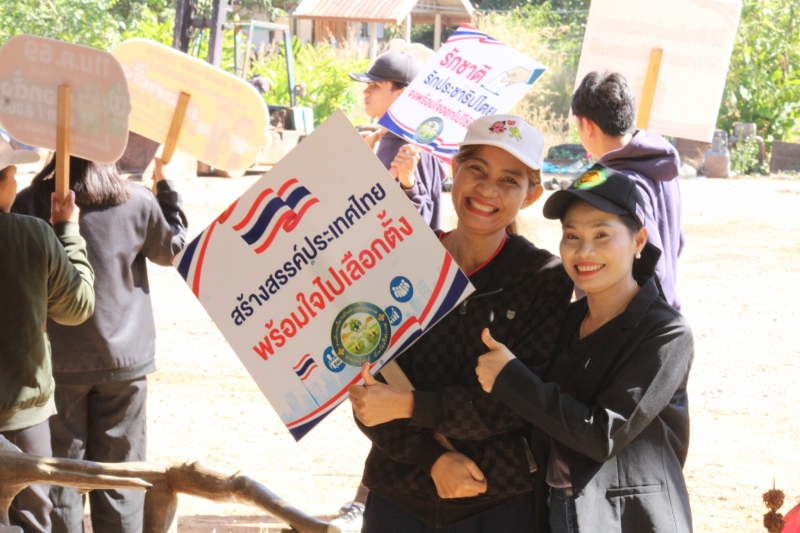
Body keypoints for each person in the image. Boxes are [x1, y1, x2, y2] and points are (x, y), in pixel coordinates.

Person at [348, 115, 574, 532]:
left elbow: (520, 400)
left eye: (509, 180)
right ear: (455, 168)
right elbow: (367, 387)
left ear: (531, 195)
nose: (487, 190)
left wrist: (412, 405)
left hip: (499, 501)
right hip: (397, 494)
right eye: (477, 170)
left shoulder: (544, 278)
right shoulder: (404, 256)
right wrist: (431, 459)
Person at [476, 164, 694, 532]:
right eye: (572, 236)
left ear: (639, 241)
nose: (584, 251)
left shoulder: (666, 333)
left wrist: (512, 381)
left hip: (626, 519)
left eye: (602, 234)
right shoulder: (565, 319)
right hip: (556, 507)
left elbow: (602, 434)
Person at [12, 155, 188, 533]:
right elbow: (173, 248)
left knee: (62, 478)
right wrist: (167, 190)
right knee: (121, 480)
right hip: (124, 363)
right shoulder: (138, 201)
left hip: (59, 363)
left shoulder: (31, 201)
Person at [0, 139, 95, 533]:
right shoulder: (33, 235)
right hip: (22, 419)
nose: (15, 183)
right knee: (32, 521)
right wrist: (68, 232)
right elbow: (78, 306)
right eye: (11, 175)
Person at [571, 71, 684, 309]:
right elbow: (677, 242)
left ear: (588, 126)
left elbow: (651, 264)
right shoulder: (660, 164)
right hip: (664, 310)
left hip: (634, 319)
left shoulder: (617, 184)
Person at [350, 52, 446, 231]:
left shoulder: (410, 146)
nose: (366, 91)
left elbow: (422, 222)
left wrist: (409, 185)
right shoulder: (388, 138)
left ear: (402, 94)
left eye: (375, 85)